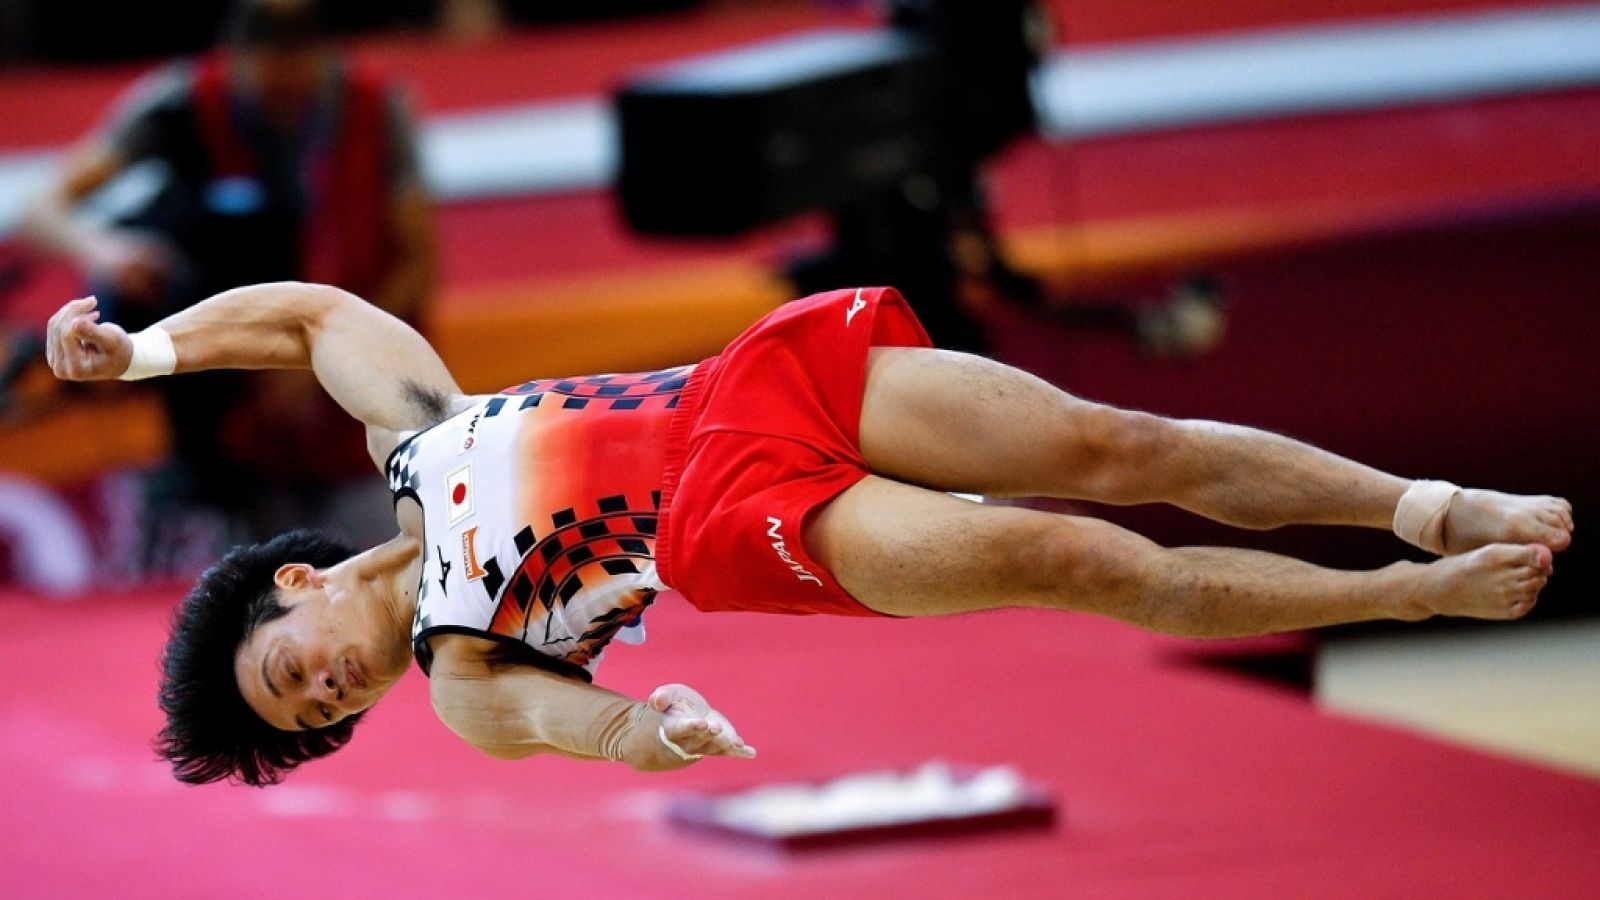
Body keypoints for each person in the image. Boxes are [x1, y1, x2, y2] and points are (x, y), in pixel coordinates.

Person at [44, 283, 1572, 785]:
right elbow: (596, 726)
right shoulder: (459, 671)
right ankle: (1415, 595)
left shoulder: (416, 430)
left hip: (752, 381)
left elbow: (307, 314)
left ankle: (1426, 502)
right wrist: (662, 725)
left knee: (1128, 445)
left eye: (287, 669)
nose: (324, 695)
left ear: (290, 582)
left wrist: (149, 355)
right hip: (731, 523)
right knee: (1078, 558)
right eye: (315, 717)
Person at [21, 0, 435, 560]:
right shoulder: (179, 103)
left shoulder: (378, 110)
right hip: (234, 409)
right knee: (256, 589)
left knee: (392, 567)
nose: (285, 107)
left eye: (299, 93)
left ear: (325, 58)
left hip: (357, 403)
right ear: (234, 61)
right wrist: (106, 248)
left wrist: (330, 354)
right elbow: (42, 210)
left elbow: (417, 265)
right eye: (269, 96)